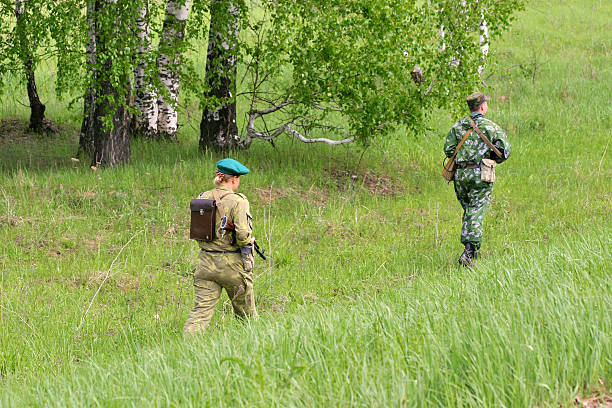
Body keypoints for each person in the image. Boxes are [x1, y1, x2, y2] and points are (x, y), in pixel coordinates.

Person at [184, 158, 258, 334]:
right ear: (234, 179)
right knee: (246, 316)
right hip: (232, 265)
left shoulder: (203, 197)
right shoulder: (238, 201)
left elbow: (198, 230)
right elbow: (242, 236)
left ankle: (186, 350)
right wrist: (250, 241)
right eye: (238, 178)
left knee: (199, 314)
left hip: (205, 263)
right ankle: (251, 349)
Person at [444, 92, 511, 266]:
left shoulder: (458, 127)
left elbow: (448, 149)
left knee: (469, 210)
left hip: (461, 176)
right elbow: (505, 151)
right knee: (476, 211)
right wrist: (490, 158)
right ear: (482, 107)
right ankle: (469, 252)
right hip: (481, 175)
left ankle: (470, 249)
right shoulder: (491, 127)